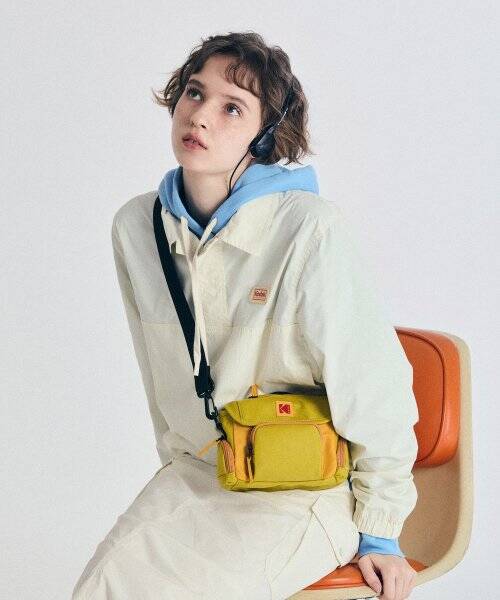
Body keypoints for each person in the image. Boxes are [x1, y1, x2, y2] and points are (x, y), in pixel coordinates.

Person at [71, 31, 419, 600]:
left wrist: (381, 529)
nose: (200, 115)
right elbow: (160, 379)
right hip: (202, 475)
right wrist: (174, 482)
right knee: (101, 587)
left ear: (264, 135)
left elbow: (373, 387)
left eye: (232, 107)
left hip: (307, 489)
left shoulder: (309, 229)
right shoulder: (138, 227)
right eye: (194, 92)